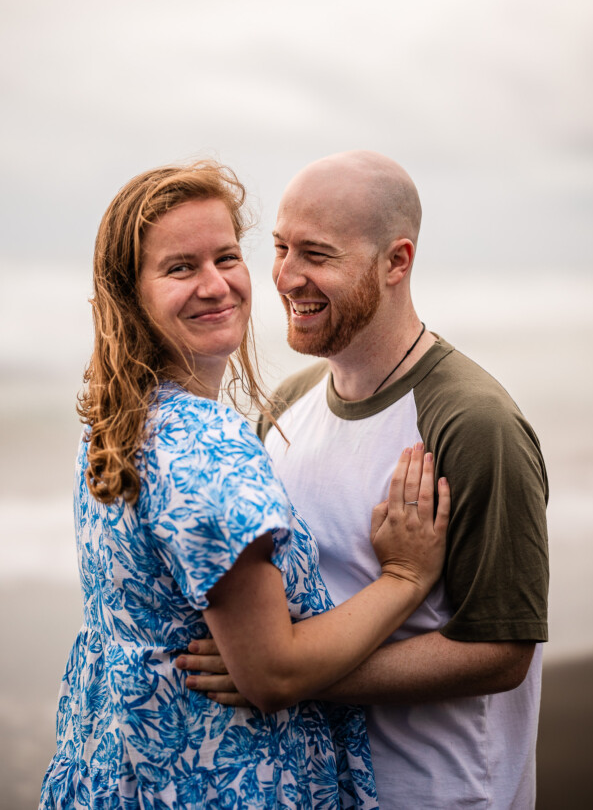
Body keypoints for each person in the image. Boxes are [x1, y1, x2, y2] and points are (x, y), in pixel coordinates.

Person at [39, 160, 451, 810]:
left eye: (226, 257)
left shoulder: (114, 418)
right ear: (130, 292)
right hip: (218, 779)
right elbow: (272, 674)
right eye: (180, 267)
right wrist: (405, 578)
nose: (216, 285)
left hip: (117, 765)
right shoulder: (210, 449)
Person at [181, 151, 550, 810]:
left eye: (317, 255)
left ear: (395, 262)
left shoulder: (473, 422)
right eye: (281, 247)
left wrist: (288, 676)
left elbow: (503, 648)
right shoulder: (286, 407)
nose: (287, 277)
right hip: (320, 787)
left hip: (444, 791)